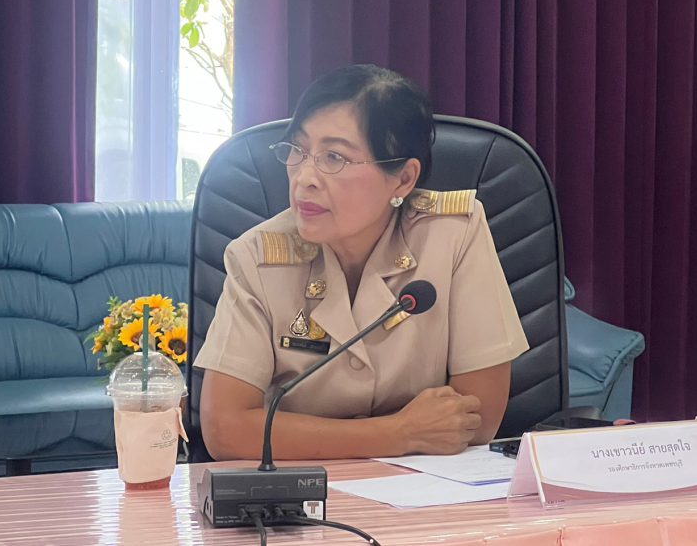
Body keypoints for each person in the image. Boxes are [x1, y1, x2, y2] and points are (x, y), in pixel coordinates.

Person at [194, 64, 529, 460]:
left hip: (430, 486)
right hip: (299, 489)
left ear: (403, 179)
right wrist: (398, 433)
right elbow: (225, 430)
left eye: (334, 157)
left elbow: (477, 417)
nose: (304, 178)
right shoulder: (256, 256)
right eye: (298, 151)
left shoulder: (454, 233)